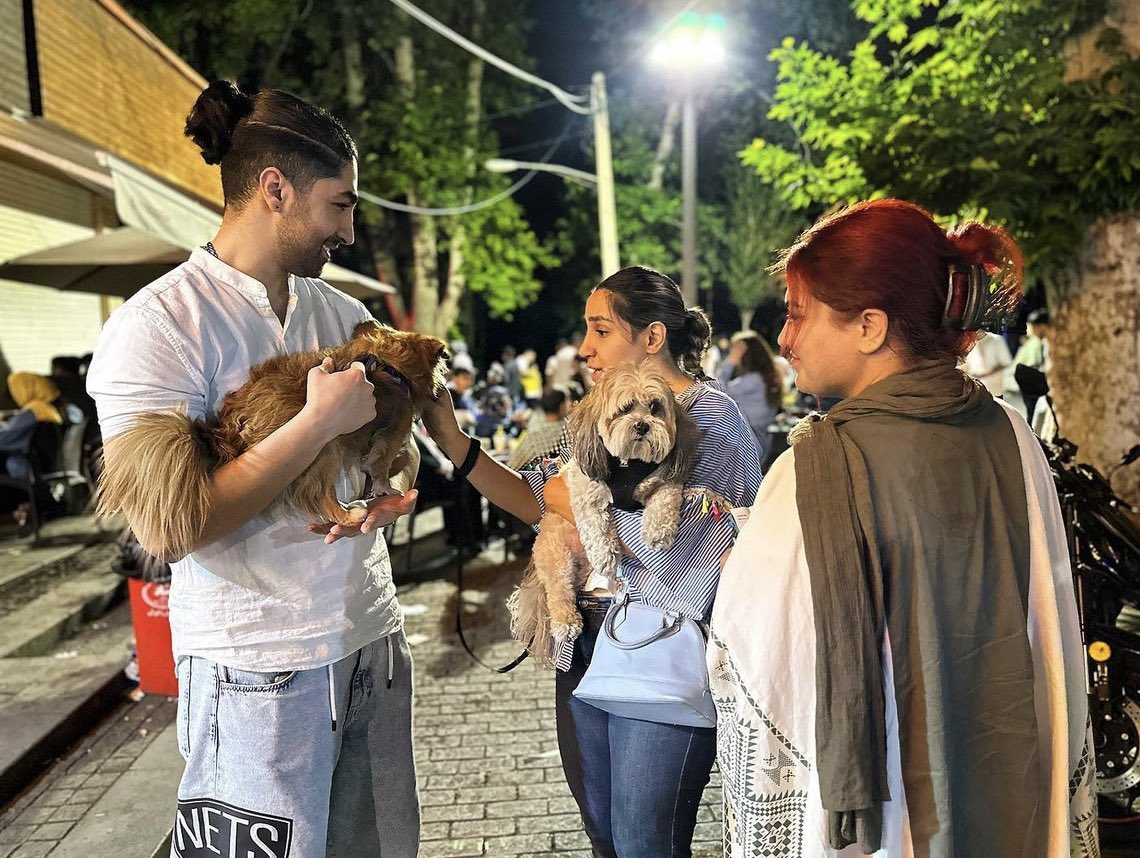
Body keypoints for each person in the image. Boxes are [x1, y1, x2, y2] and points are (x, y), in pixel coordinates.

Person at [86, 81, 422, 858]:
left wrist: (392, 482)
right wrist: (314, 424)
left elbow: (394, 449)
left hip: (371, 637)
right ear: (275, 189)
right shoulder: (157, 327)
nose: (348, 228)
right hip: (255, 666)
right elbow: (173, 527)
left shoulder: (338, 315)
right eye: (339, 204)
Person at [708, 199, 1095, 857]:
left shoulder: (813, 472)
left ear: (868, 326)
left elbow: (755, 667)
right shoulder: (1013, 436)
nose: (787, 340)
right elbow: (1050, 631)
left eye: (799, 314)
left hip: (884, 822)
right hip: (1012, 796)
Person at [422, 265, 762, 858]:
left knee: (643, 842)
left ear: (652, 337)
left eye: (601, 331)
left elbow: (685, 556)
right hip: (582, 637)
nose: (585, 348)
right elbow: (536, 499)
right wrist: (455, 442)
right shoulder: (593, 414)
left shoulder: (710, 421)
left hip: (663, 645)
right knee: (605, 832)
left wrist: (572, 498)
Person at [716, 331, 784, 463]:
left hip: (749, 446)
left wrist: (730, 362)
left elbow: (717, 391)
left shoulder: (753, 380)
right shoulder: (767, 375)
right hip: (759, 441)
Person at [963, 329, 1012, 397]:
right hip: (975, 392)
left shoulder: (997, 340)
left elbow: (1005, 362)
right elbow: (965, 365)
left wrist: (985, 374)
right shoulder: (967, 342)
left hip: (994, 390)